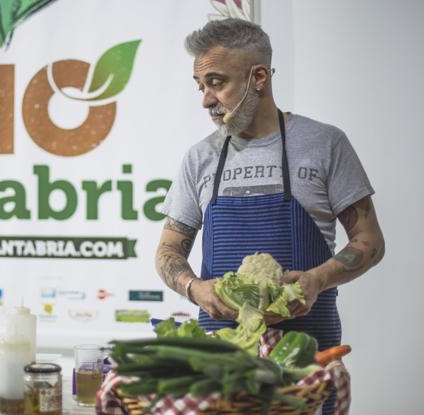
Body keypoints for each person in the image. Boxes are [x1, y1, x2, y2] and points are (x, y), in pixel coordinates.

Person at [155, 18, 384, 415]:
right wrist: (195, 288)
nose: (206, 100)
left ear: (258, 76)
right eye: (201, 86)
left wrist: (316, 280)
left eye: (216, 82)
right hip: (219, 374)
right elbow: (168, 251)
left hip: (305, 368)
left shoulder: (324, 143)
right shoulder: (200, 157)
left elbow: (370, 242)